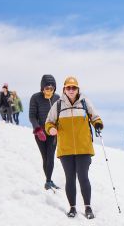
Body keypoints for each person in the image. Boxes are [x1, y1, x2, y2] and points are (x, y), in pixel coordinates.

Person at [44, 76, 103, 218]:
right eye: (68, 87)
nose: (71, 90)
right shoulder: (58, 105)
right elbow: (49, 122)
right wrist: (51, 129)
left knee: (83, 177)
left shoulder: (84, 102)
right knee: (69, 178)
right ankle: (72, 208)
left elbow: (95, 117)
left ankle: (88, 207)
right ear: (64, 89)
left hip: (84, 147)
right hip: (66, 149)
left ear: (77, 89)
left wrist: (98, 124)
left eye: (73, 87)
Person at [26, 74, 62, 190]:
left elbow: (60, 115)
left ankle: (48, 181)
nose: (49, 91)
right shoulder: (35, 98)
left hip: (52, 132)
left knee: (50, 156)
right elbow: (32, 116)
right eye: (47, 88)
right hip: (40, 133)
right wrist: (37, 129)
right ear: (42, 88)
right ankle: (48, 180)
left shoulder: (57, 98)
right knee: (45, 157)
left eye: (51, 89)